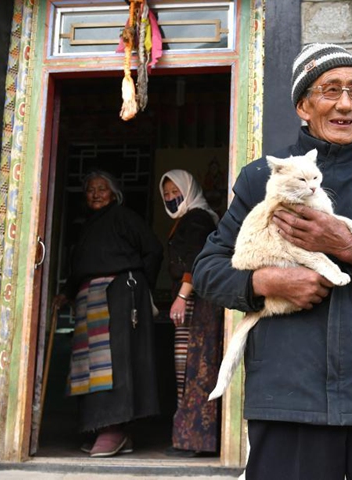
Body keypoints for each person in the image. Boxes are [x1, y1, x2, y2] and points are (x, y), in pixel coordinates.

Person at [192, 43, 352, 479]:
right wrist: (267, 282)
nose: (346, 104)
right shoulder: (261, 179)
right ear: (302, 106)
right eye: (330, 90)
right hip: (288, 397)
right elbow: (208, 271)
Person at [53, 170, 163, 458]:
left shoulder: (124, 218)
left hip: (120, 295)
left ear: (114, 193)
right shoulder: (87, 227)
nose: (96, 194)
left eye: (102, 188)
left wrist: (140, 288)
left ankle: (116, 428)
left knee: (116, 361)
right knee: (91, 365)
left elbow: (153, 250)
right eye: (90, 189)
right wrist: (67, 292)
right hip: (90, 299)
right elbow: (79, 267)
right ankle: (98, 426)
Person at [159, 170, 223, 457]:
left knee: (192, 369)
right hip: (195, 302)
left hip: (198, 303)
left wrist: (182, 296)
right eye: (167, 195)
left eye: (176, 191)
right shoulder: (191, 217)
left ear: (190, 188)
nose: (172, 198)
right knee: (189, 368)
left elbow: (197, 258)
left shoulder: (196, 219)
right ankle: (189, 437)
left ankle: (193, 439)